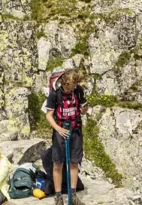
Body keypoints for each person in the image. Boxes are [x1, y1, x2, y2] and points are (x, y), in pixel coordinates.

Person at [45, 70, 89, 205]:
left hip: (75, 130)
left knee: (74, 162)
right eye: (71, 85)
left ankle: (73, 194)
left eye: (75, 84)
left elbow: (84, 107)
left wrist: (84, 110)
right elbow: (48, 115)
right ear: (65, 82)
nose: (73, 87)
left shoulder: (78, 91)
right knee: (58, 163)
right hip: (60, 131)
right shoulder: (55, 95)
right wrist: (58, 129)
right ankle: (59, 197)